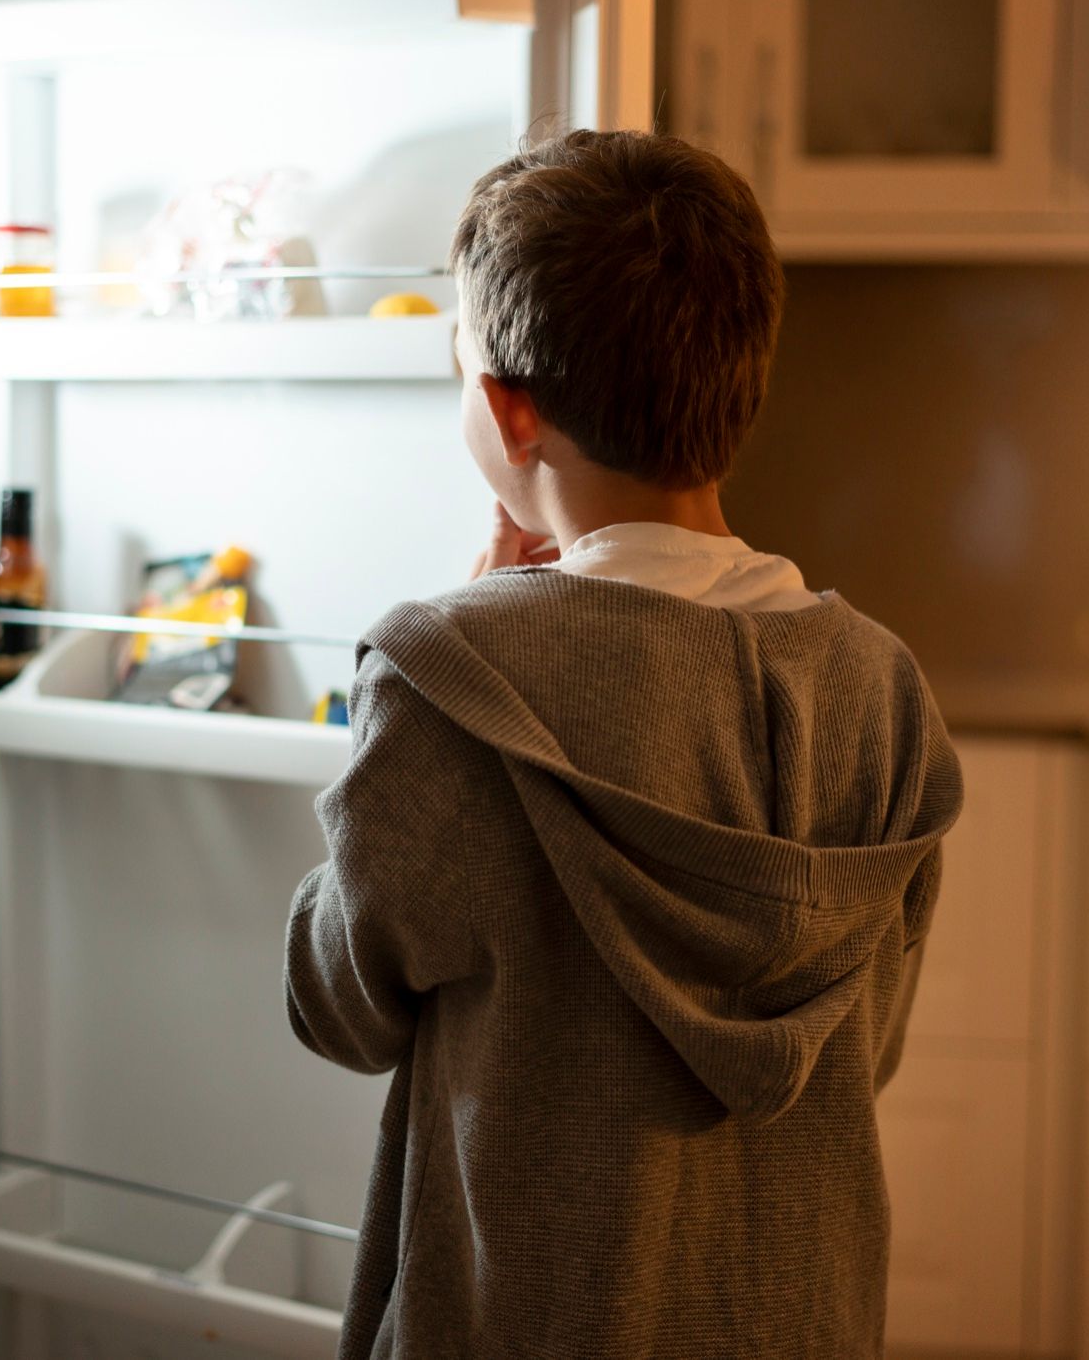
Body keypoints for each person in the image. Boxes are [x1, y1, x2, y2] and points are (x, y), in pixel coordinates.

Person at [284, 129, 964, 1360]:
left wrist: (467, 627)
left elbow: (340, 1005)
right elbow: (862, 1051)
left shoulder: (448, 683)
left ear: (508, 408)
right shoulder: (881, 686)